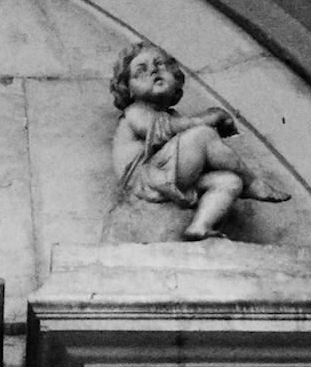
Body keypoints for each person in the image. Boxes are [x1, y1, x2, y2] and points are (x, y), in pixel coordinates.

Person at [108, 42, 289, 240]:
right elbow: (169, 129)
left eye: (160, 64)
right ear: (128, 90)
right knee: (202, 135)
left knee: (229, 182)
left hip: (164, 180)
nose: (153, 71)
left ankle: (200, 226)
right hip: (146, 183)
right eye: (140, 71)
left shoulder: (171, 115)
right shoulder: (134, 112)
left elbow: (175, 129)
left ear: (175, 79)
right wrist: (213, 116)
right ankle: (254, 183)